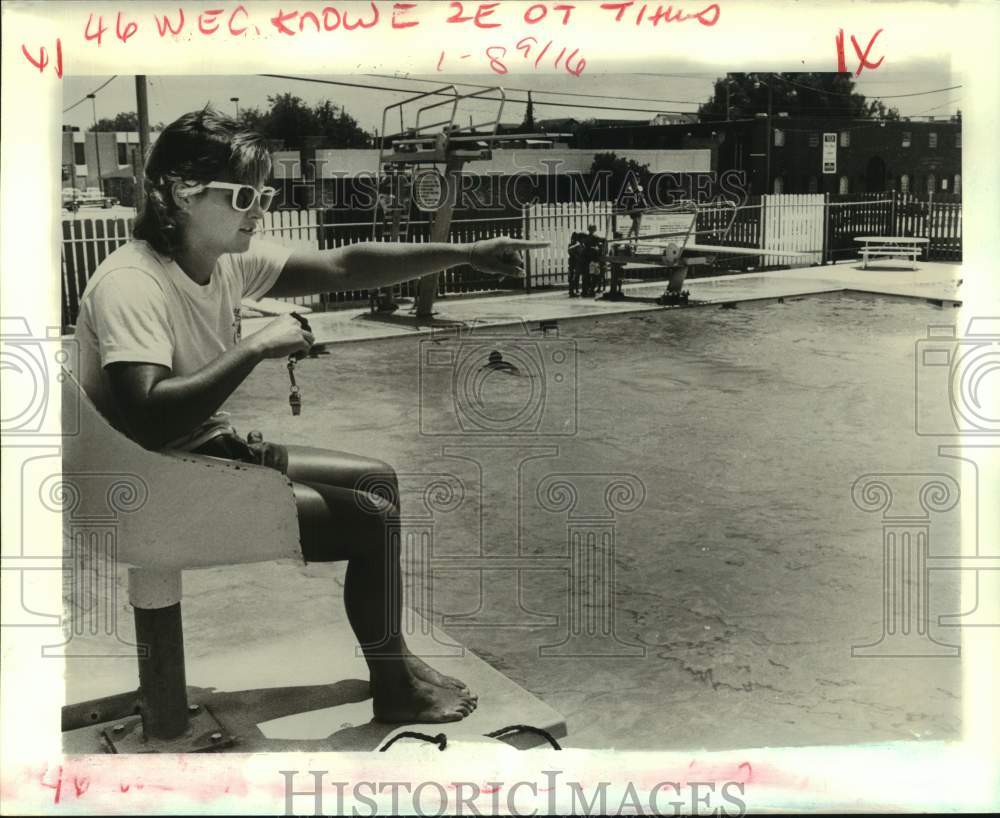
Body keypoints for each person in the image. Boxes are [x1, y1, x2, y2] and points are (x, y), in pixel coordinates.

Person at [73, 107, 547, 724]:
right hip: (142, 487)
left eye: (263, 193)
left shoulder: (220, 260)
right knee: (368, 520)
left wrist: (467, 252)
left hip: (188, 456)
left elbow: (346, 265)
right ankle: (395, 690)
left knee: (377, 480)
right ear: (179, 195)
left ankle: (392, 659)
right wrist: (257, 344)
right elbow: (148, 420)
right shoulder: (132, 284)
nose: (259, 208)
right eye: (244, 194)